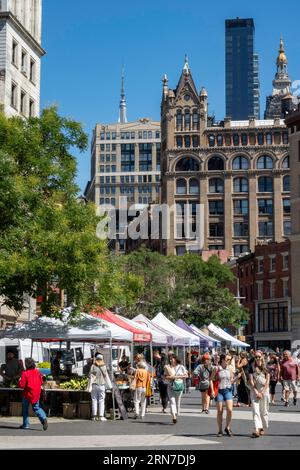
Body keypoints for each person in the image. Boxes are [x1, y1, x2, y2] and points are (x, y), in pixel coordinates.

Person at [18, 357, 48, 431]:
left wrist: (19, 381)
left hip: (27, 393)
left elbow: (22, 385)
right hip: (36, 392)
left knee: (25, 409)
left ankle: (26, 424)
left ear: (27, 365)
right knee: (36, 408)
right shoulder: (37, 372)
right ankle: (43, 418)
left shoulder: (25, 373)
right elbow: (41, 382)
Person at [211, 354, 234, 437]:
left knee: (230, 410)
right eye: (227, 359)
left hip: (228, 390)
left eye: (230, 359)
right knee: (220, 411)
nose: (229, 361)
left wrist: (235, 379)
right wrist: (213, 390)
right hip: (219, 391)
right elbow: (211, 379)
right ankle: (220, 430)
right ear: (223, 360)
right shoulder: (217, 368)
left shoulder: (230, 368)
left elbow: (231, 380)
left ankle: (227, 427)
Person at [248, 351, 270, 438]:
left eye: (259, 357)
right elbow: (251, 380)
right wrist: (256, 391)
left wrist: (262, 392)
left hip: (264, 390)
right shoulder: (251, 367)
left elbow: (267, 382)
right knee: (255, 410)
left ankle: (263, 427)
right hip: (254, 390)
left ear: (262, 357)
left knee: (264, 411)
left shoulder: (266, 367)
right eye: (256, 357)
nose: (257, 358)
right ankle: (257, 429)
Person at [164, 356, 188, 424]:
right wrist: (169, 377)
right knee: (172, 401)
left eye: (172, 359)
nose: (171, 360)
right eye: (170, 359)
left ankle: (176, 413)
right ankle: (174, 416)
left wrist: (176, 377)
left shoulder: (181, 367)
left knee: (177, 402)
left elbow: (186, 375)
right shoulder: (168, 367)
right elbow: (165, 376)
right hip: (170, 386)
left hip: (179, 386)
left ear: (175, 359)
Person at [89, 353, 112, 421]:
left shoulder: (93, 366)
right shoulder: (104, 366)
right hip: (102, 385)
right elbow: (106, 376)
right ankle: (101, 416)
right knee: (101, 400)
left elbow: (89, 375)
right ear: (102, 359)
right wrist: (109, 385)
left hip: (94, 385)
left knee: (94, 400)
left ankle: (94, 416)